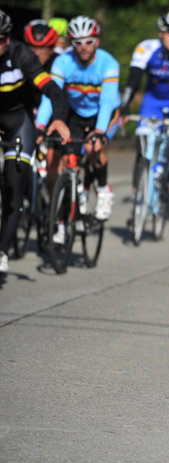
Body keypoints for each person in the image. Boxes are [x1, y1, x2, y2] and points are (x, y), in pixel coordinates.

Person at [0, 9, 70, 275]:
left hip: (18, 120)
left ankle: (2, 251)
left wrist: (60, 119)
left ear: (7, 40)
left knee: (13, 183)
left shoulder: (22, 56)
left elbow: (53, 90)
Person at [36, 15, 121, 233]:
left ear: (97, 42)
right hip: (75, 114)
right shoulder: (63, 62)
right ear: (72, 44)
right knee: (64, 155)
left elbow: (107, 102)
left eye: (89, 42)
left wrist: (100, 131)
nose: (83, 48)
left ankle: (103, 190)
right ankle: (71, 199)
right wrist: (39, 126)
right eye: (78, 43)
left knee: (93, 146)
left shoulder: (108, 63)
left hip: (104, 113)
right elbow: (50, 97)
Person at [119, 11, 169, 219]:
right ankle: (138, 199)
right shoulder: (146, 48)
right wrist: (125, 105)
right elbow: (133, 80)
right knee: (143, 147)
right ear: (161, 33)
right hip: (152, 102)